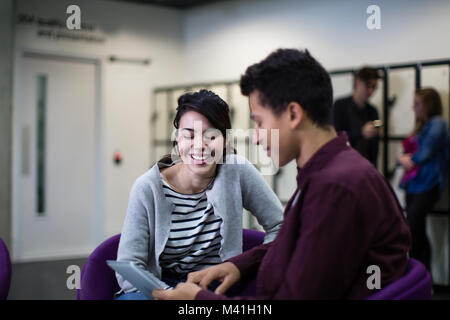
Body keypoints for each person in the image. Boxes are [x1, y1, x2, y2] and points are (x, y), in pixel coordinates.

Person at [153, 49, 411, 300]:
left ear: (293, 114)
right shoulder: (334, 170)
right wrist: (239, 265)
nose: (256, 136)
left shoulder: (334, 188)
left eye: (259, 122)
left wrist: (198, 301)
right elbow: (299, 247)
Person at [115, 89, 283, 300]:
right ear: (177, 139)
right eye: (189, 135)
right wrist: (168, 295)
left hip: (217, 287)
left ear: (226, 140)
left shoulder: (237, 171)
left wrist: (261, 269)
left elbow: (280, 227)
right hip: (159, 287)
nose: (199, 145)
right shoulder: (147, 187)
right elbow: (129, 265)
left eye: (211, 135)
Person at [397, 88, 449, 271]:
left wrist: (408, 159)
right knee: (415, 229)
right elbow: (406, 154)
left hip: (429, 184)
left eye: (417, 103)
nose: (414, 107)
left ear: (428, 105)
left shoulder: (438, 124)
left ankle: (419, 274)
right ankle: (421, 276)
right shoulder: (421, 126)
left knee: (413, 227)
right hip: (414, 185)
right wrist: (402, 159)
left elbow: (426, 151)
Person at [333, 67, 382, 167]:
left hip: (367, 166)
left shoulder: (373, 110)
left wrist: (379, 126)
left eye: (374, 87)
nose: (371, 91)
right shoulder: (340, 105)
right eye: (368, 86)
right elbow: (335, 136)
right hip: (344, 166)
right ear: (357, 82)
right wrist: (361, 133)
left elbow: (379, 123)